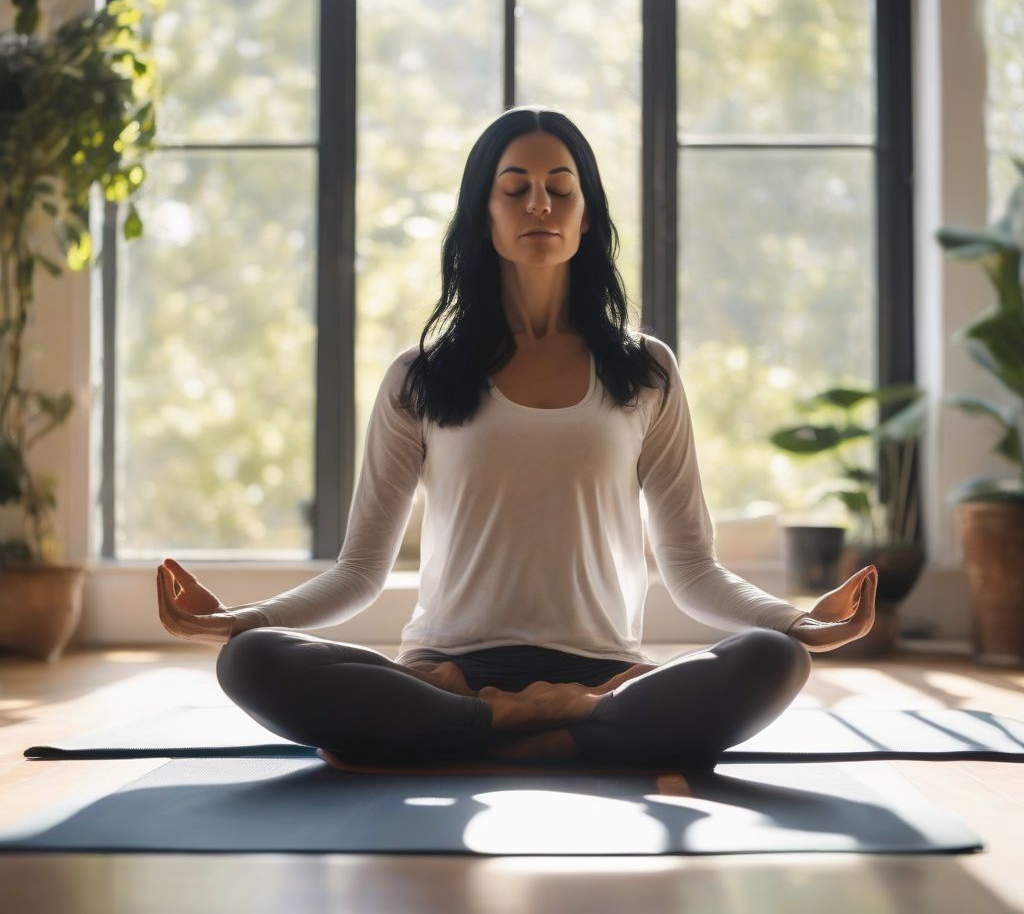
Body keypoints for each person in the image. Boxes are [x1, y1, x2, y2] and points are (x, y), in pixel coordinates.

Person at [156, 106, 878, 769]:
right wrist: (240, 619)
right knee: (250, 661)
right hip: (447, 673)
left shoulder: (645, 371)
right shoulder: (420, 377)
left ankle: (485, 735)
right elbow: (359, 573)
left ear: (587, 215)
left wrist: (798, 622)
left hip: (602, 675)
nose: (540, 205)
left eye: (561, 189)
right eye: (516, 188)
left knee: (772, 660)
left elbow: (690, 568)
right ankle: (557, 734)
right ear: (484, 215)